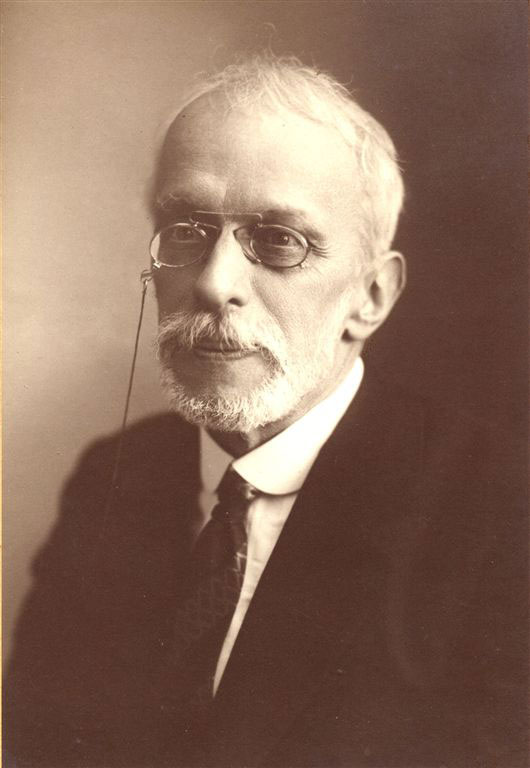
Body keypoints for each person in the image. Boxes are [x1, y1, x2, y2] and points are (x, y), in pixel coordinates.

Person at [4, 55, 526, 768]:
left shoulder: (498, 509)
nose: (214, 283)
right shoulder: (115, 476)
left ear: (371, 296)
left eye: (280, 240)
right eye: (186, 228)